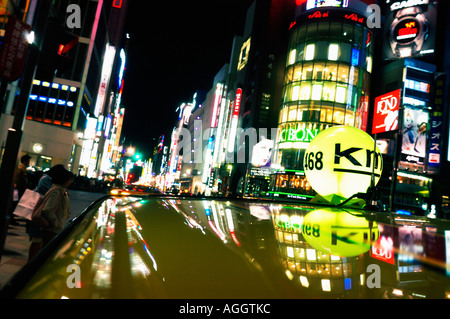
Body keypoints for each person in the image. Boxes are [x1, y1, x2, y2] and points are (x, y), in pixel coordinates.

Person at [27, 164, 66, 261]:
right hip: (39, 211)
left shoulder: (48, 179)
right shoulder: (47, 179)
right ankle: (30, 262)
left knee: (38, 240)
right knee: (37, 239)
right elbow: (46, 194)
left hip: (40, 211)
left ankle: (32, 260)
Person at [40, 168, 74, 247]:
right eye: (70, 180)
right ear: (64, 180)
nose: (71, 182)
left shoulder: (62, 191)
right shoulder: (56, 191)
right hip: (51, 229)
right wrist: (55, 223)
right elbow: (47, 209)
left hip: (54, 228)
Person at [10, 154, 31, 225]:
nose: (29, 162)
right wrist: (19, 188)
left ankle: (12, 218)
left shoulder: (22, 168)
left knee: (15, 204)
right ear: (25, 161)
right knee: (14, 204)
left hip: (20, 189)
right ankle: (11, 218)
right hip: (18, 189)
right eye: (28, 160)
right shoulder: (20, 168)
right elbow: (18, 180)